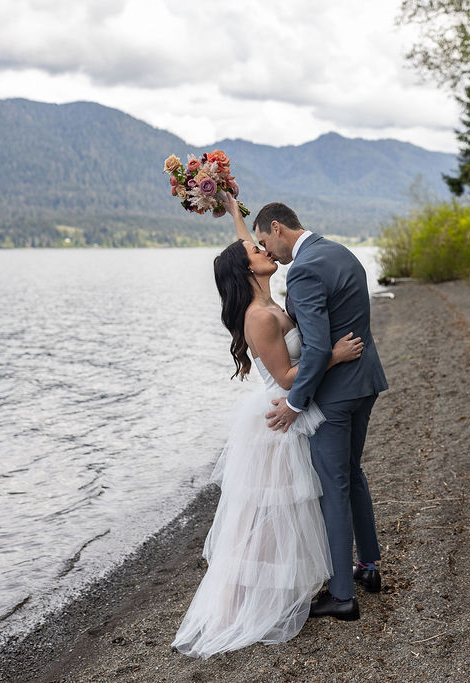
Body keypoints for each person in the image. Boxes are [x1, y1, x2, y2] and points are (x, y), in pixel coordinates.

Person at [171, 191, 363, 658]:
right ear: (249, 270)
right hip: (281, 418)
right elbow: (284, 376)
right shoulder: (257, 316)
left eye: (261, 244)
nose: (264, 249)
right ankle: (247, 600)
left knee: (291, 513)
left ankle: (290, 587)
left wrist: (234, 210)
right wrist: (333, 356)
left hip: (294, 411)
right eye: (257, 250)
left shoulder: (265, 293)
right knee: (270, 517)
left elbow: (245, 251)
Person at [254, 201, 388, 621]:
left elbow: (314, 347)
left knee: (334, 486)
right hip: (365, 383)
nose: (267, 252)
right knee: (352, 472)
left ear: (277, 228)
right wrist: (226, 202)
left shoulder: (305, 270)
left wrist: (294, 404)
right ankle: (368, 567)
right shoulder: (338, 250)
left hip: (335, 395)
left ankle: (342, 595)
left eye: (264, 242)